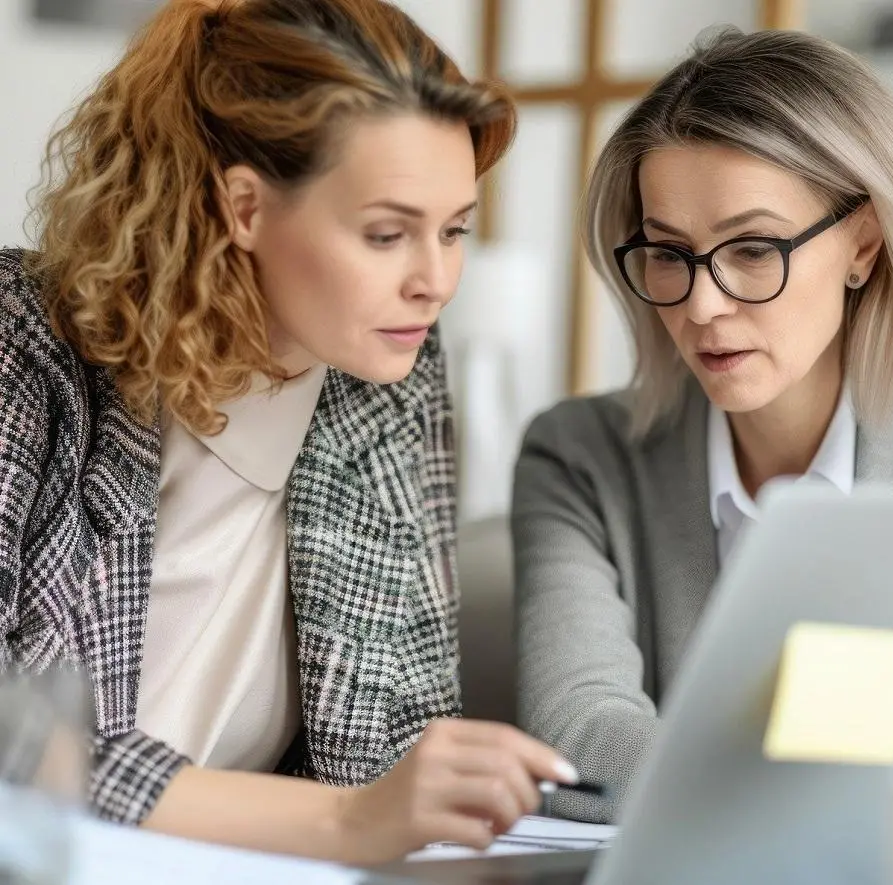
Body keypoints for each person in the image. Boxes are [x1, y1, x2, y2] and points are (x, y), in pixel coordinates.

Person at [0, 0, 580, 865]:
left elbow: (399, 735)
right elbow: (14, 742)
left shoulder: (389, 378)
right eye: (387, 233)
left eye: (454, 231)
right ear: (243, 206)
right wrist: (347, 822)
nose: (435, 280)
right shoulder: (24, 347)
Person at [512, 25, 893, 824]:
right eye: (668, 253)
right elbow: (578, 734)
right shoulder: (578, 455)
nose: (701, 305)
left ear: (863, 243)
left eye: (751, 249)